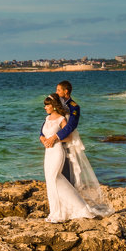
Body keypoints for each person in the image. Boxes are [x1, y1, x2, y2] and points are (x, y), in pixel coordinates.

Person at [39, 81, 112, 217]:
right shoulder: (55, 103)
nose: (57, 92)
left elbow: (70, 127)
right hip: (53, 146)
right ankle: (62, 208)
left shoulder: (74, 107)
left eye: (59, 90)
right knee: (57, 177)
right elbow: (47, 124)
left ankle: (74, 208)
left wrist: (55, 137)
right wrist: (43, 137)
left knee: (69, 175)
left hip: (66, 143)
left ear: (66, 91)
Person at [41, 94, 95, 222]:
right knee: (50, 181)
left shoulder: (61, 119)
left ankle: (81, 208)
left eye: (47, 105)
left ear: (54, 106)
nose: (45, 107)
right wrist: (44, 140)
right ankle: (55, 212)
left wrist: (55, 140)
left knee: (56, 178)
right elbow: (42, 134)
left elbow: (69, 137)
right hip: (47, 153)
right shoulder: (47, 119)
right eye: (45, 105)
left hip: (57, 151)